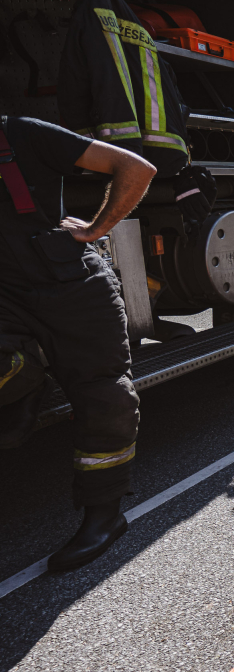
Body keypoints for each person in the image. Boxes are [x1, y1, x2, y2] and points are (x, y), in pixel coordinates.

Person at [0, 115, 156, 570]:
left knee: (104, 396)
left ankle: (103, 515)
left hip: (72, 286)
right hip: (9, 294)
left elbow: (136, 169)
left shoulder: (22, 133)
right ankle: (30, 385)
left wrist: (94, 228)